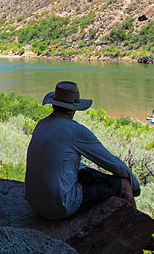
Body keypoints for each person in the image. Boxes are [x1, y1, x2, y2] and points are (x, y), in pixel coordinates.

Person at [25, 81, 140, 219]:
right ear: (74, 109)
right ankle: (136, 229)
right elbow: (114, 164)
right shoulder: (75, 131)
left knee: (83, 169)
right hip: (60, 206)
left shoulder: (41, 124)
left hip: (36, 203)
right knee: (124, 185)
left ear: (54, 104)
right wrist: (135, 185)